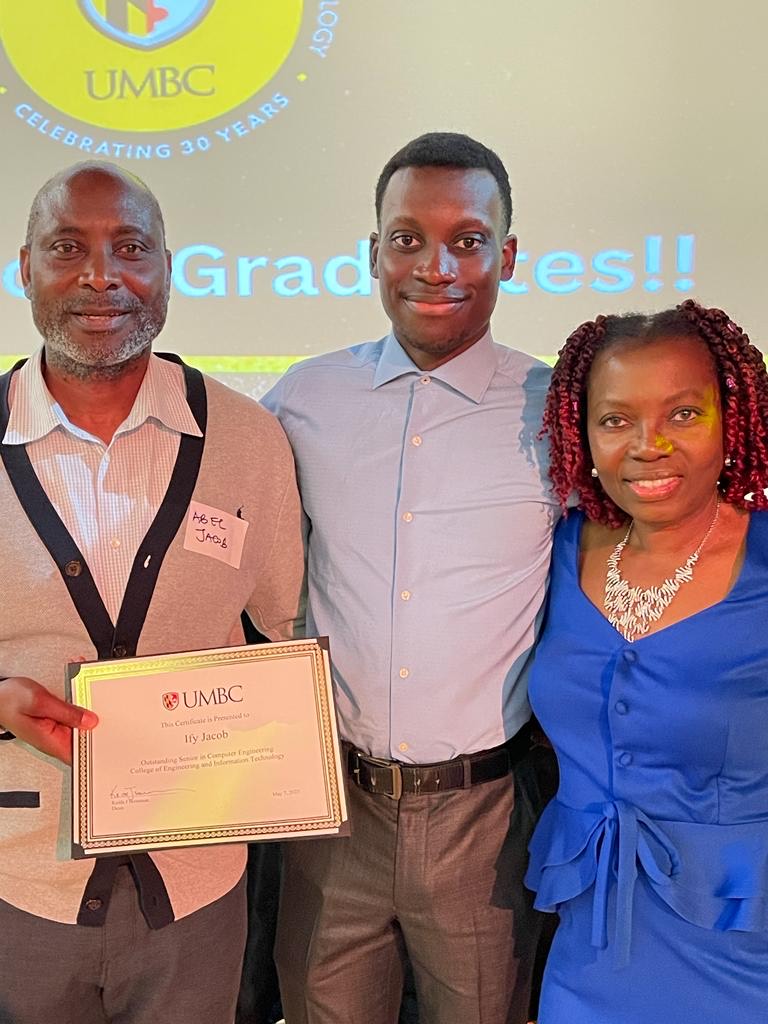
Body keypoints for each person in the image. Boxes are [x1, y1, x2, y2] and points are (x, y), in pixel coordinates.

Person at [262, 132, 559, 1024]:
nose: (436, 266)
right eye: (406, 239)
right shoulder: (303, 399)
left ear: (507, 255)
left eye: (468, 240)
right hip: (329, 814)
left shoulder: (559, 410)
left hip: (486, 821)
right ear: (372, 254)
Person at [0, 162, 304, 1024]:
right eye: (69, 248)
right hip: (17, 877)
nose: (102, 276)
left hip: (197, 884)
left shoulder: (248, 437)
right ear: (24, 269)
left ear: (170, 269)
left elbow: (287, 635)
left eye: (131, 248)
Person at [525, 300, 768, 1023]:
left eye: (683, 415)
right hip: (588, 944)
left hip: (741, 945)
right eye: (616, 420)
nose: (648, 445)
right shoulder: (560, 549)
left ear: (734, 417)